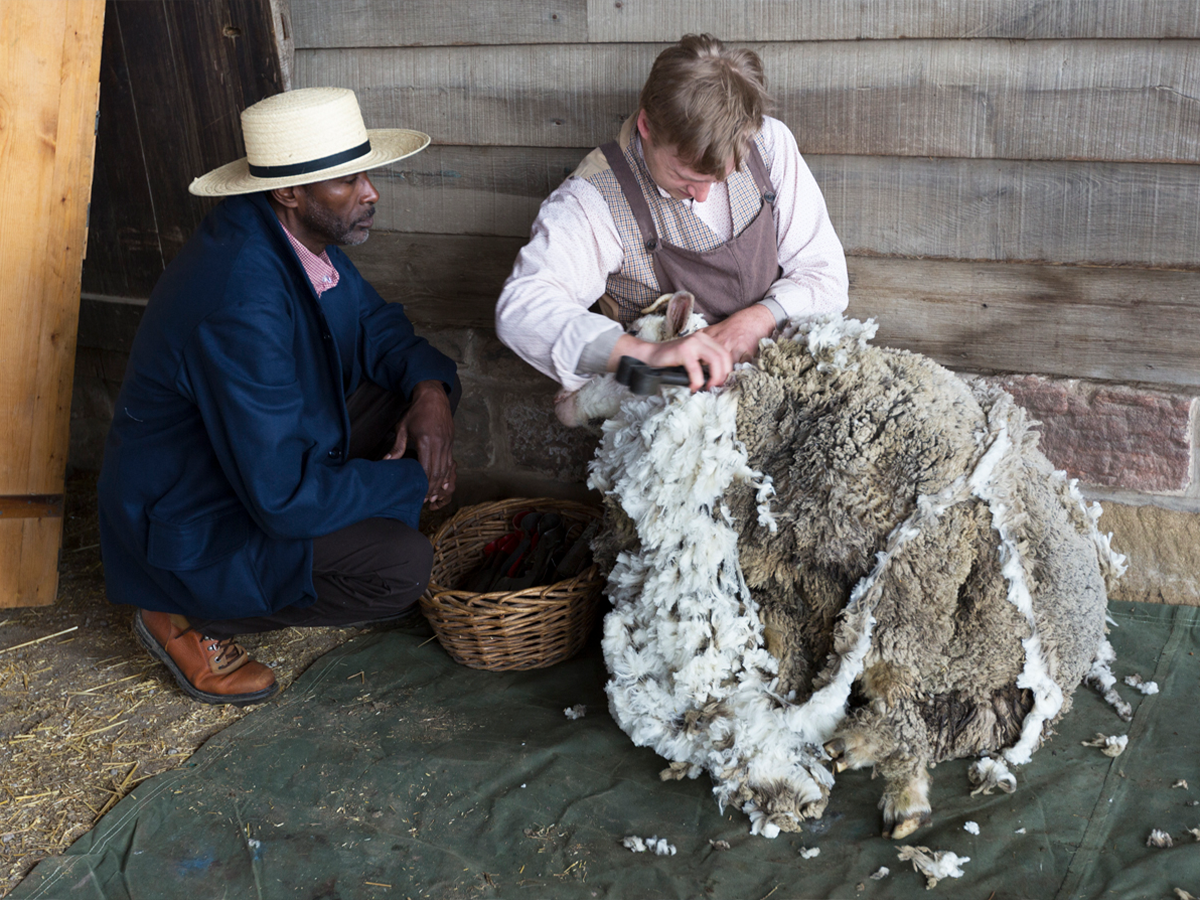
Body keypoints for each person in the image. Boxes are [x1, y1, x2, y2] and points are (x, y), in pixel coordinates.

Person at [98, 88, 458, 706]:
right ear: (290, 191)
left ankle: (341, 519)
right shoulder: (241, 298)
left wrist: (431, 392)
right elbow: (283, 499)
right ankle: (185, 614)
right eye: (347, 180)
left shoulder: (294, 235)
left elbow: (378, 328)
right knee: (400, 567)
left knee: (417, 407)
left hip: (255, 462)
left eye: (365, 173)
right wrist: (409, 481)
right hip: (192, 513)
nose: (371, 192)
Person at [496, 34, 848, 394]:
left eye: (719, 178)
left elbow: (825, 274)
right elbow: (523, 309)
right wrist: (644, 355)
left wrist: (759, 318)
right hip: (670, 409)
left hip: (779, 384)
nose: (703, 194)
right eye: (684, 177)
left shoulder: (767, 144)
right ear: (646, 126)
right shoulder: (593, 199)